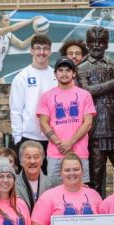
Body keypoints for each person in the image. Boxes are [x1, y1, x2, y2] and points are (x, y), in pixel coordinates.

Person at [77, 26, 114, 197]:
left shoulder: (113, 67)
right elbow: (85, 92)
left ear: (106, 44)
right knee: (95, 177)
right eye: (93, 42)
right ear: (88, 44)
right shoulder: (81, 68)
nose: (97, 46)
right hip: (95, 130)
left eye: (101, 42)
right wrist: (112, 83)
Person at [38, 57, 96, 185]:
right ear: (55, 74)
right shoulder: (47, 96)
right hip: (55, 154)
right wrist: (59, 143)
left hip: (79, 153)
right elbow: (43, 123)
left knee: (81, 190)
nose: (64, 73)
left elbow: (88, 123)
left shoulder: (84, 95)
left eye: (68, 70)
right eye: (61, 70)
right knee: (53, 190)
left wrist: (70, 142)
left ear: (74, 73)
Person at [10, 34, 57, 165]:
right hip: (28, 137)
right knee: (28, 180)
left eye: (45, 48)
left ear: (50, 51)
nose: (41, 52)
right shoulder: (22, 77)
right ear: (31, 50)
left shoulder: (56, 76)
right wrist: (18, 138)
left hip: (53, 138)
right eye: (38, 48)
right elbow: (15, 110)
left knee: (50, 180)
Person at [0, 12, 42, 84]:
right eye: (6, 20)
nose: (9, 22)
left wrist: (35, 34)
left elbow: (22, 45)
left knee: (3, 95)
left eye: (9, 19)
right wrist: (31, 21)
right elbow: (12, 28)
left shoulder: (9, 35)